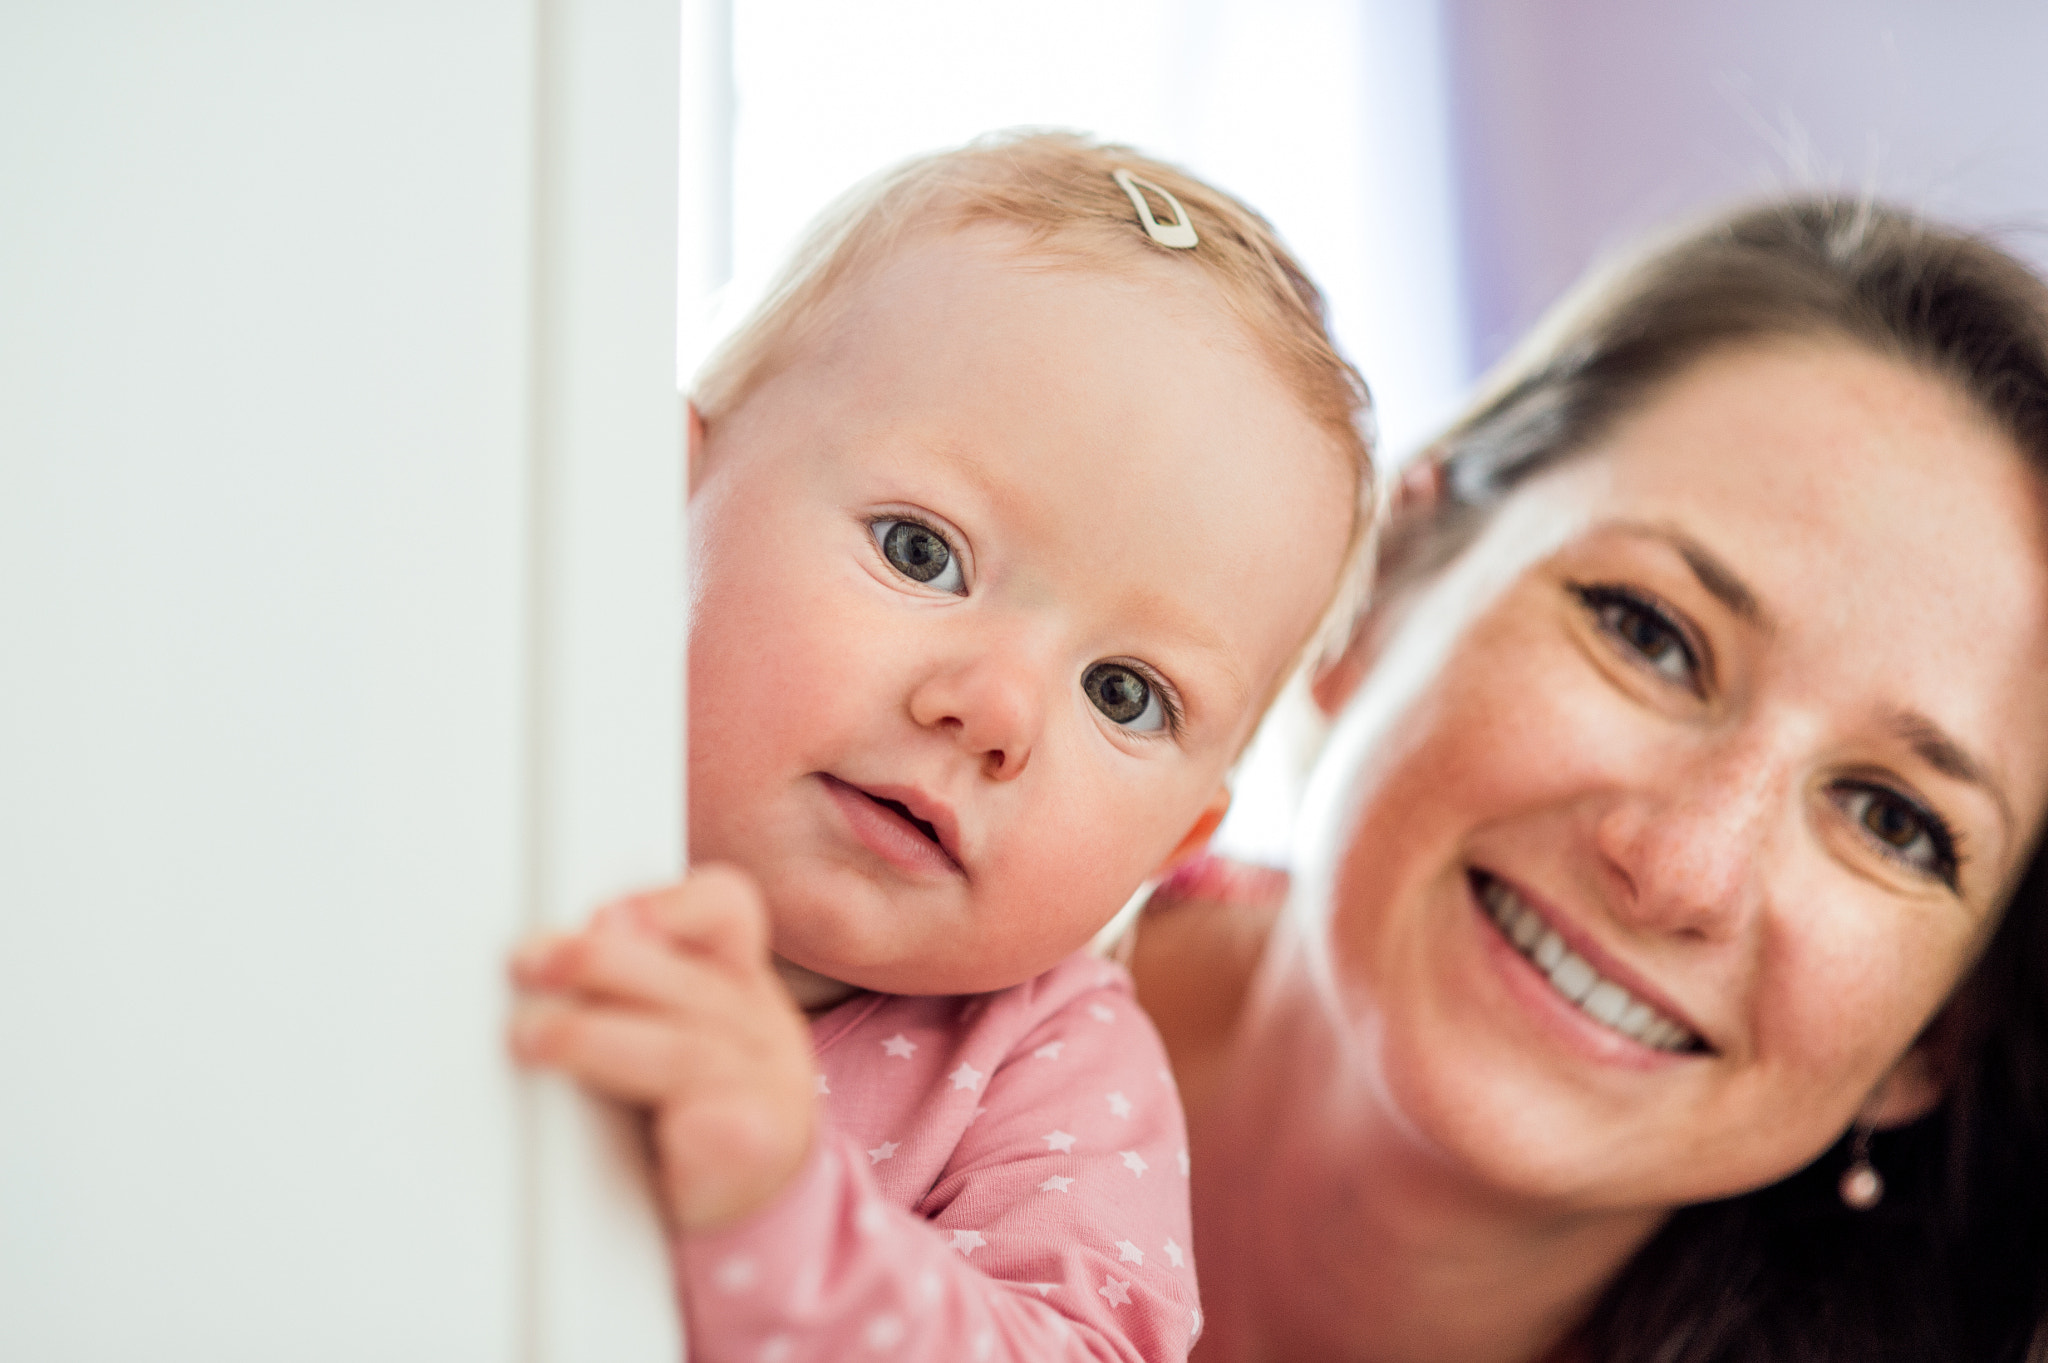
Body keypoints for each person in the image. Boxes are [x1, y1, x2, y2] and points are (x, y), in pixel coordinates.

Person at [1129, 197, 2048, 1361]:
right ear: (1386, 577)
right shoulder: (851, 969)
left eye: (1892, 821)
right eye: (1648, 633)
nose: (1678, 869)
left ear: (1940, 1034)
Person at [508, 132, 1375, 1363]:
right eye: (922, 552)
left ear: (1176, 840)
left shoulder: (1051, 1067)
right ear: (659, 500)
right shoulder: (490, 786)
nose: (996, 712)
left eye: (1124, 694)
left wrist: (780, 1214)